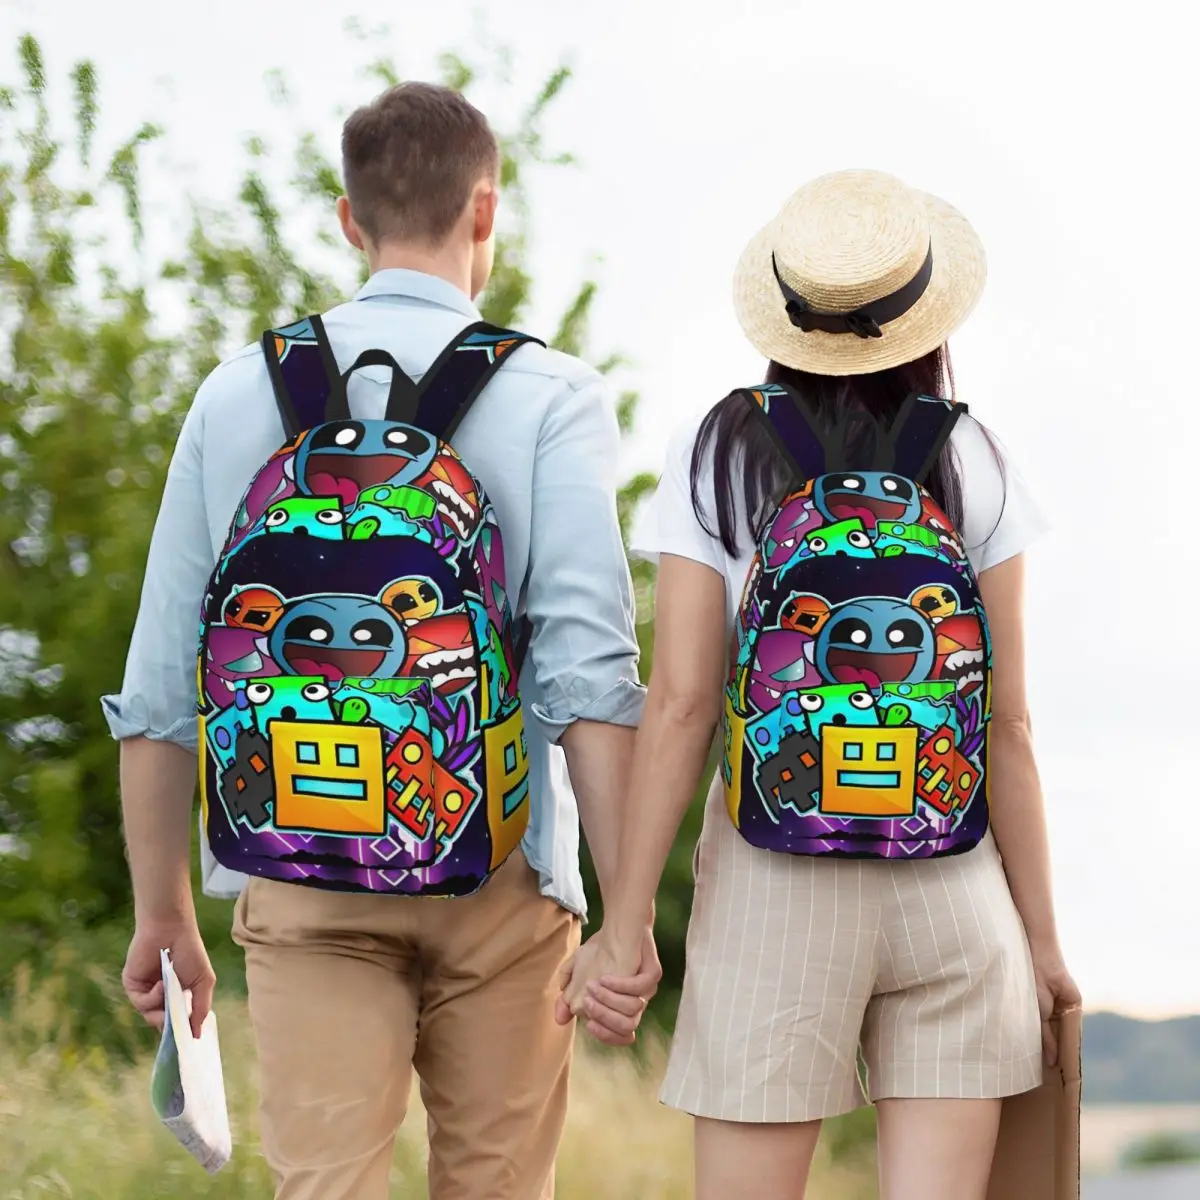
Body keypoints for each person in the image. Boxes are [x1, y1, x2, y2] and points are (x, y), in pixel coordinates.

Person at [105, 81, 661, 1200]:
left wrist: (162, 910)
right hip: (501, 872)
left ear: (349, 219)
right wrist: (627, 915)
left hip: (298, 872)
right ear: (485, 213)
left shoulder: (234, 395)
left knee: (325, 1186)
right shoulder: (551, 394)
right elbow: (589, 677)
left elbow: (163, 679)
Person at [560, 169, 1081, 1200]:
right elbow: (1008, 723)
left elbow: (681, 705)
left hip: (773, 882)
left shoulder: (718, 451)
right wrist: (1043, 943)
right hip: (953, 880)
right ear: (925, 316)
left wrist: (624, 926)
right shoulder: (974, 456)